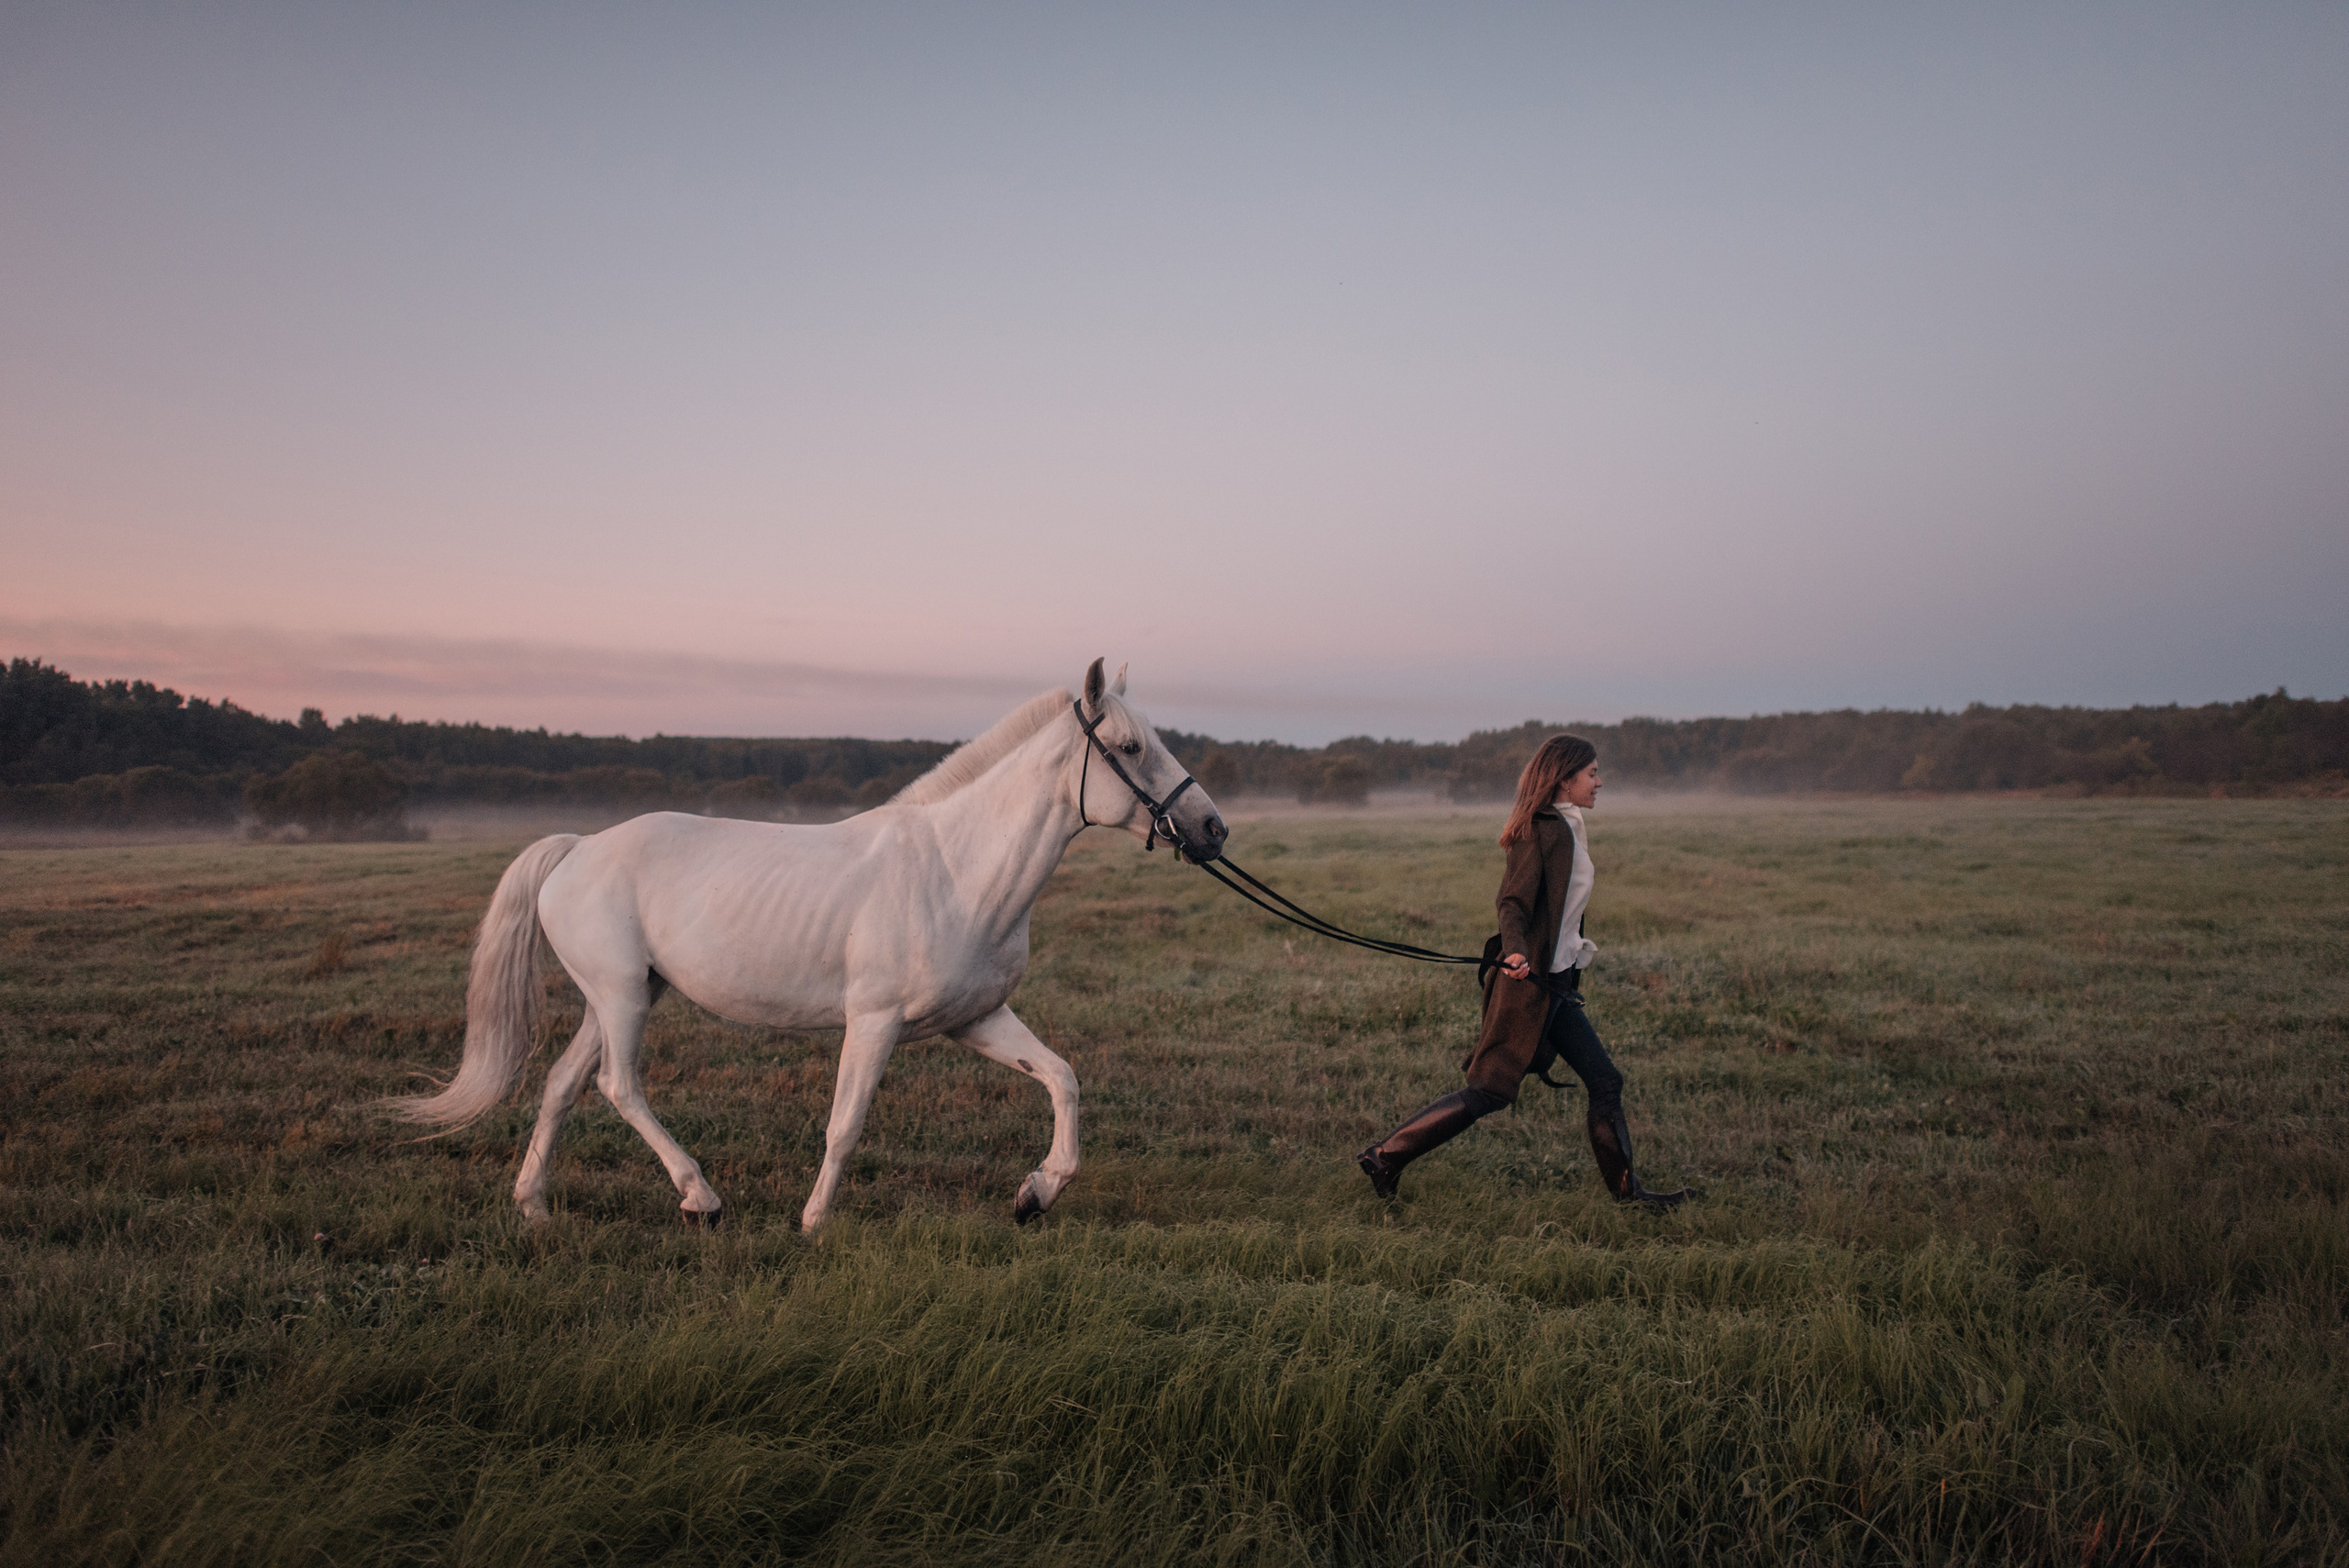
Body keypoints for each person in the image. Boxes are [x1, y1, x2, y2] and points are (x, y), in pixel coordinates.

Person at [1356, 735, 1690, 1207]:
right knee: (1489, 1090)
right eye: (1592, 774)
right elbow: (1512, 902)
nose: (1600, 781)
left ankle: (1630, 1196)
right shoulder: (1541, 829)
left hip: (1556, 985)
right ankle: (1385, 1156)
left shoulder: (1568, 826)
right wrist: (1514, 952)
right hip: (1528, 985)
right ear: (1564, 778)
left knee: (1605, 1081)